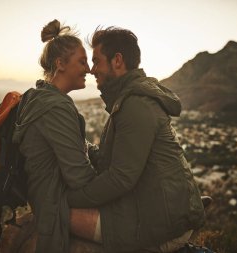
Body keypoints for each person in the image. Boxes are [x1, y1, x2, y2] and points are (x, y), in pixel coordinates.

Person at [67, 27, 206, 252]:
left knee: (59, 213)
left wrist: (69, 198)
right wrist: (82, 146)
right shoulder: (128, 100)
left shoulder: (136, 104)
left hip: (159, 221)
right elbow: (112, 161)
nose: (92, 69)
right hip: (151, 207)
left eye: (96, 61)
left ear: (117, 60)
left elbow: (120, 178)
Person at [11, 19, 97, 253]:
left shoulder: (38, 96)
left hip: (44, 194)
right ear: (60, 64)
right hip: (53, 202)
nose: (88, 69)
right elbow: (80, 177)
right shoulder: (55, 106)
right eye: (82, 61)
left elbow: (67, 145)